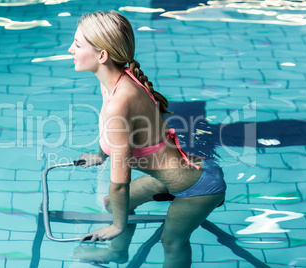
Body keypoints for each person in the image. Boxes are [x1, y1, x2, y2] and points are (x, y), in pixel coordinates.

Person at [68, 10, 226, 267]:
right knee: (113, 204)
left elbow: (120, 183)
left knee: (172, 243)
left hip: (198, 188)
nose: (69, 49)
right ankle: (117, 253)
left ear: (102, 55)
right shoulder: (113, 80)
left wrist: (117, 226)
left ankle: (119, 242)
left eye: (76, 44)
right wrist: (99, 155)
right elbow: (109, 132)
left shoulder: (120, 102)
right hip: (181, 173)